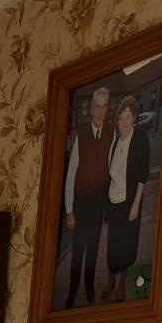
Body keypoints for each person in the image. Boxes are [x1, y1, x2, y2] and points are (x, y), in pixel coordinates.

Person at [62, 86, 113, 307]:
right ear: (91, 109)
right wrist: (69, 210)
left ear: (107, 108)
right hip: (81, 201)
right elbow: (70, 175)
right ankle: (73, 289)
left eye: (104, 106)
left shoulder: (111, 132)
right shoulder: (81, 136)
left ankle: (89, 286)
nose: (100, 111)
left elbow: (114, 164)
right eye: (97, 107)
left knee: (93, 248)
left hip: (98, 200)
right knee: (78, 249)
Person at [104, 94, 150, 302]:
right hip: (113, 201)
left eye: (127, 117)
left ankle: (122, 281)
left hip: (130, 201)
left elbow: (142, 174)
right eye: (121, 118)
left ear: (134, 118)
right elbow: (111, 173)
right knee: (112, 243)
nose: (123, 122)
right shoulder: (115, 142)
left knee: (126, 244)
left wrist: (136, 204)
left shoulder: (139, 138)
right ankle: (110, 279)